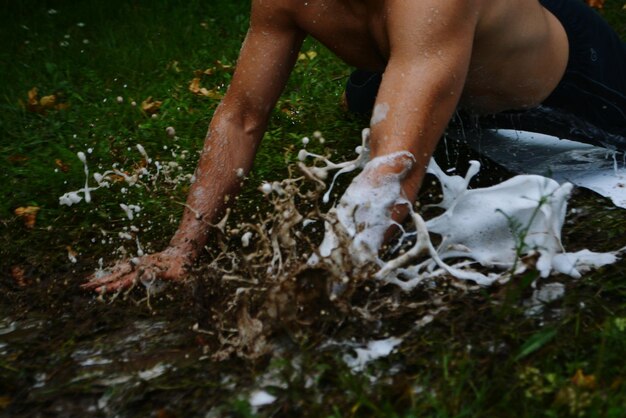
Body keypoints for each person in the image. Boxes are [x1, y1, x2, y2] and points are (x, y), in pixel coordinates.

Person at [83, 0, 625, 293]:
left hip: (567, 75)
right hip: (413, 53)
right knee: (373, 95)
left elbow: (394, 170)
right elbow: (242, 116)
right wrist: (183, 248)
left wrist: (321, 289)